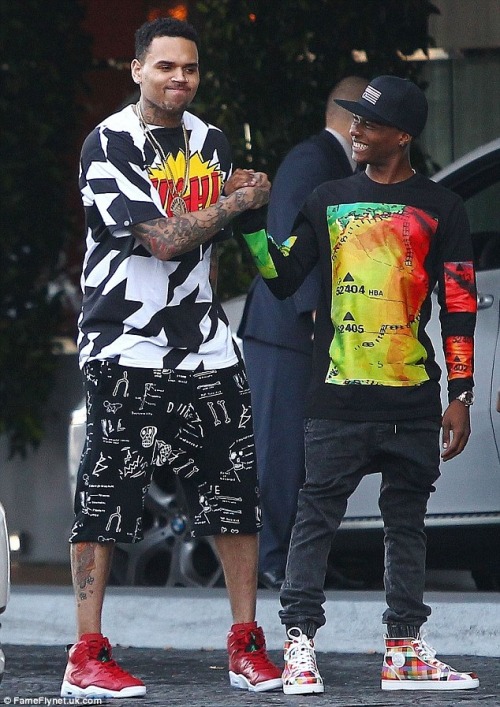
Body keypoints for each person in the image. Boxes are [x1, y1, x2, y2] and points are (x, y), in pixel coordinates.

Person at [61, 17, 281, 700]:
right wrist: (237, 200)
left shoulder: (211, 142)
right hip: (125, 343)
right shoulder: (110, 143)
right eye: (165, 67)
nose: (179, 79)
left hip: (207, 346)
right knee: (106, 494)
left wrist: (239, 202)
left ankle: (246, 644)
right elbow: (159, 238)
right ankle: (86, 655)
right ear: (136, 70)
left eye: (189, 68)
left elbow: (218, 240)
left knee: (233, 495)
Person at [239, 76, 479, 694]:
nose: (355, 130)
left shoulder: (442, 208)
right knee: (314, 519)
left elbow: (458, 305)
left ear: (402, 136)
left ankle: (404, 649)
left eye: (368, 124)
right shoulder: (325, 197)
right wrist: (246, 224)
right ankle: (298, 647)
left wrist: (461, 394)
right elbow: (286, 278)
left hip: (412, 399)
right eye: (352, 120)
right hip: (337, 398)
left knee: (407, 525)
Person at [238, 76, 368, 591]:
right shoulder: (314, 158)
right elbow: (287, 233)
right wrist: (315, 315)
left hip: (301, 329)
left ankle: (301, 560)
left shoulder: (330, 162)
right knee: (281, 448)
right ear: (353, 119)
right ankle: (272, 557)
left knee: (312, 454)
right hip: (287, 329)